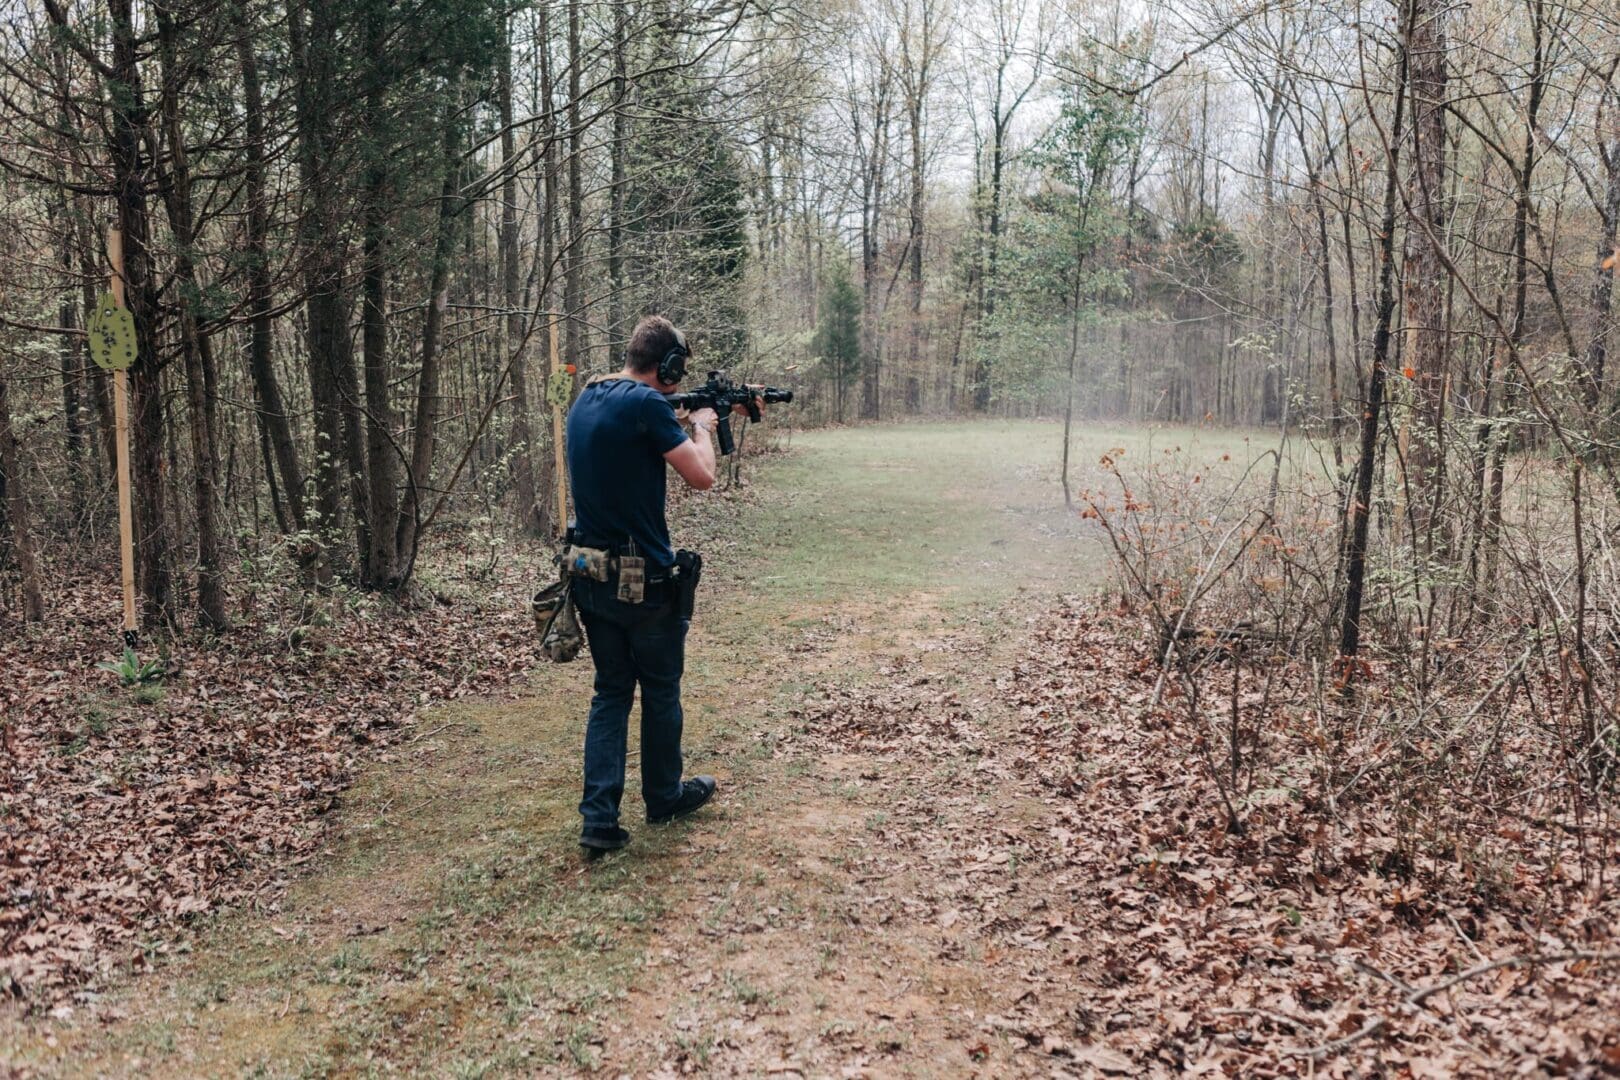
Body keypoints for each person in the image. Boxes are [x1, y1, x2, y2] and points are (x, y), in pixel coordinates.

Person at [563, 314, 757, 855]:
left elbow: (635, 433)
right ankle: (664, 795)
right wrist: (702, 424)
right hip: (641, 579)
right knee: (662, 688)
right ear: (668, 367)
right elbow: (702, 475)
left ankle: (598, 820)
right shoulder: (648, 406)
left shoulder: (591, 394)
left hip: (588, 572)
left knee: (611, 692)